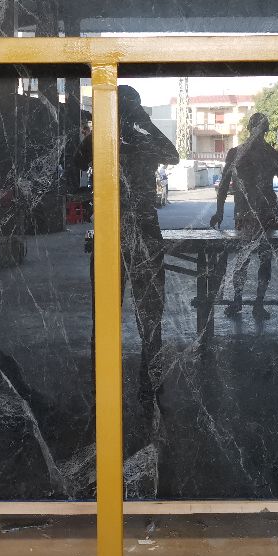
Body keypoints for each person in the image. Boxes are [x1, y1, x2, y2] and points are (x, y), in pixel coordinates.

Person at [75, 86, 179, 406]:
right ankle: (138, 381)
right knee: (133, 313)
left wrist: (135, 123)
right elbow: (74, 162)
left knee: (142, 312)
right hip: (130, 232)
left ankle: (128, 381)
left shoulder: (124, 142)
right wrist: (136, 122)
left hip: (129, 232)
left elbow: (173, 155)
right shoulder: (114, 142)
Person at [210, 112, 278, 318]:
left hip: (250, 215)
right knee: (260, 260)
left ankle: (241, 301)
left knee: (246, 259)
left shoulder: (238, 153)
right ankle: (255, 303)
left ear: (249, 128)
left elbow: (223, 185)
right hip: (261, 215)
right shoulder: (271, 155)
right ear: (266, 129)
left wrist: (219, 211)